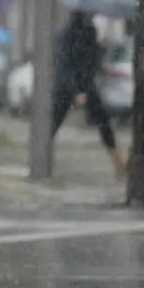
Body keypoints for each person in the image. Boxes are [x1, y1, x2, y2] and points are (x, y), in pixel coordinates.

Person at [51, 11, 127, 177]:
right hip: (69, 85)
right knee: (54, 122)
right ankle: (42, 160)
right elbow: (65, 65)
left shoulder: (89, 31)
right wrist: (76, 90)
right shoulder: (68, 33)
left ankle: (119, 162)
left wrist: (101, 50)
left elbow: (89, 62)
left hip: (84, 84)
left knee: (102, 121)